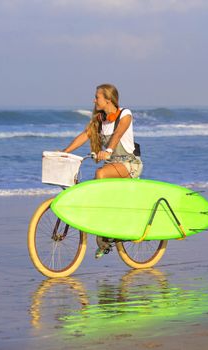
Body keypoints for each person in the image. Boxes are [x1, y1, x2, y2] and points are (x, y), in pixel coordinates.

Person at [63, 83, 143, 258]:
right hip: (114, 166)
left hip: (130, 165)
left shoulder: (125, 114)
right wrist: (64, 152)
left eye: (97, 97)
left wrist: (107, 151)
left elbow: (118, 134)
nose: (94, 100)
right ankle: (109, 227)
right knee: (100, 184)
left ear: (108, 99)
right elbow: (85, 135)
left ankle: (106, 224)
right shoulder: (100, 120)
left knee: (100, 174)